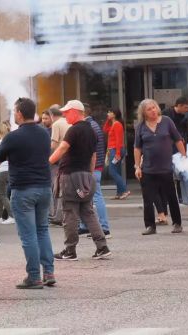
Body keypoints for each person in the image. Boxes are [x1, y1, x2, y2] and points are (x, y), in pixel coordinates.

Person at [0, 98, 55, 289]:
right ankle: (48, 271)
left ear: (20, 113)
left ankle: (34, 276)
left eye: (14, 111)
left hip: (23, 189)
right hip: (45, 187)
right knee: (42, 230)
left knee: (28, 235)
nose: (14, 114)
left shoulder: (13, 136)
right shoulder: (44, 134)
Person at [49, 100, 112, 261]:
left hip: (71, 175)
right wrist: (89, 174)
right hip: (85, 174)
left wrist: (47, 163)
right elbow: (94, 155)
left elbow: (62, 148)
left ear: (76, 112)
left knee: (70, 213)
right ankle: (102, 247)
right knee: (88, 211)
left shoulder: (74, 130)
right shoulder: (91, 130)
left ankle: (70, 250)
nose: (64, 115)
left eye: (67, 112)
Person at [134, 99, 188, 235]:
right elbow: (137, 148)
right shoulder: (140, 126)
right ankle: (150, 226)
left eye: (154, 107)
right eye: (149, 109)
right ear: (144, 113)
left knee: (172, 197)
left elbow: (178, 139)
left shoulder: (167, 121)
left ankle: (177, 223)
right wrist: (137, 167)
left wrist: (184, 156)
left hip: (166, 168)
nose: (153, 111)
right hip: (148, 169)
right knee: (148, 199)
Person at [77, 104, 111, 238]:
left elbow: (90, 150)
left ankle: (104, 227)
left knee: (96, 196)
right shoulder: (94, 125)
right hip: (96, 166)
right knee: (87, 197)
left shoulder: (88, 127)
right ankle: (85, 226)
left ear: (82, 113)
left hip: (92, 167)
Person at [49, 106, 69, 227]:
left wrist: (51, 159)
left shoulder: (56, 124)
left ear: (52, 115)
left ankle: (59, 216)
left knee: (58, 188)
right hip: (70, 158)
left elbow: (54, 145)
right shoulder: (68, 122)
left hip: (60, 160)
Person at [103, 108, 129, 200]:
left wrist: (117, 153)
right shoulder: (113, 124)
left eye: (110, 112)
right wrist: (108, 119)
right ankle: (119, 193)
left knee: (112, 171)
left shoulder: (117, 124)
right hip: (113, 150)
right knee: (116, 171)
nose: (108, 113)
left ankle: (124, 190)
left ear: (114, 114)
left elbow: (119, 140)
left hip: (115, 150)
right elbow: (105, 129)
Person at [0, 120, 15, 225]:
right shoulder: (9, 141)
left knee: (1, 194)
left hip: (0, 170)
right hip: (8, 169)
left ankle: (11, 215)